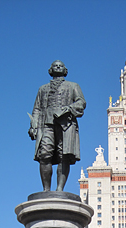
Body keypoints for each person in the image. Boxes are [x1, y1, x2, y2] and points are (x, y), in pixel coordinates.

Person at [28, 60, 86, 191]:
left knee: (63, 155)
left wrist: (68, 108)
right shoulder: (42, 89)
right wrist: (34, 126)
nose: (58, 66)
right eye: (55, 65)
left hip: (65, 125)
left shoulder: (73, 86)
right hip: (46, 124)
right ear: (50, 69)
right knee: (44, 155)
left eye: (61, 65)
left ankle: (59, 189)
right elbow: (36, 108)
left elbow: (81, 102)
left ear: (65, 70)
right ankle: (46, 190)